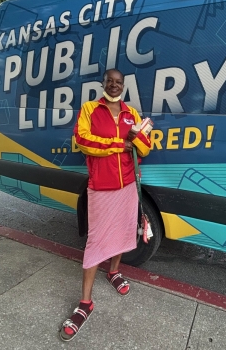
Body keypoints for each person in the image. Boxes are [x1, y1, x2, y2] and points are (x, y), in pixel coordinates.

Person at [60, 68, 151, 341]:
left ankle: (113, 271)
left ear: (124, 86)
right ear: (104, 83)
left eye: (118, 82)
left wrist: (137, 137)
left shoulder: (131, 114)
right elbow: (83, 140)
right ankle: (86, 303)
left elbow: (145, 148)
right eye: (109, 81)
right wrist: (118, 143)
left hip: (127, 185)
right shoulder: (90, 109)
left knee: (123, 231)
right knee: (96, 240)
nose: (114, 85)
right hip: (100, 185)